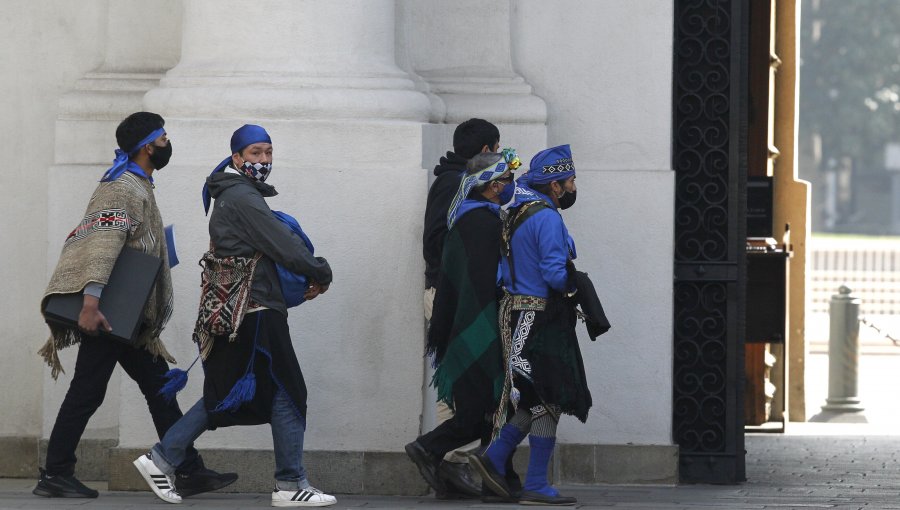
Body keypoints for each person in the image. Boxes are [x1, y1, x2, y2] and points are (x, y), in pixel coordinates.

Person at [131, 124, 336, 507]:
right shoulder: (242, 197)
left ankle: (165, 458)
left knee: (246, 393)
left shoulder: (235, 194)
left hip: (242, 310)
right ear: (237, 158)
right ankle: (289, 483)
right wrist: (321, 271)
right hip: (253, 310)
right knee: (285, 392)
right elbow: (282, 245)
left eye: (268, 153)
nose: (263, 161)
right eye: (255, 153)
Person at [34, 112, 236, 499]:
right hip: (111, 314)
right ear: (149, 145)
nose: (167, 144)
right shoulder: (122, 186)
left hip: (131, 317)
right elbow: (103, 245)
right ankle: (55, 473)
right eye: (164, 138)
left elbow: (129, 242)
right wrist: (90, 304)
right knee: (87, 393)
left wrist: (158, 255)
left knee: (158, 387)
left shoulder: (138, 182)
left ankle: (188, 468)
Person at [469, 145, 591, 506]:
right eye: (569, 181)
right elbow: (555, 274)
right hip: (538, 320)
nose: (572, 187)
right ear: (555, 185)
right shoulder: (548, 218)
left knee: (537, 399)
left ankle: (493, 458)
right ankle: (535, 482)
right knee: (546, 399)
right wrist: (575, 289)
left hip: (516, 313)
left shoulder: (518, 211)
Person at [407, 152, 523, 502]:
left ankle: (498, 480)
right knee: (483, 413)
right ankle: (428, 448)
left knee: (493, 413)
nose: (511, 187)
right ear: (494, 186)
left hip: (473, 326)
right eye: (507, 180)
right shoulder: (482, 224)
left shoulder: (473, 218)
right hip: (479, 330)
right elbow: (484, 284)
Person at [418, 118, 504, 499]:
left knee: (466, 382)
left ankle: (451, 466)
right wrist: (458, 279)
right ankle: (446, 461)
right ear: (485, 151)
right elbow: (438, 238)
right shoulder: (455, 184)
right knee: (458, 382)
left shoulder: (460, 182)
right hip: (453, 295)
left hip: (461, 293)